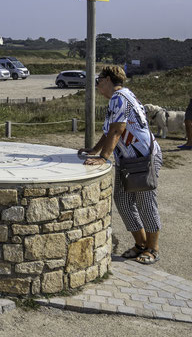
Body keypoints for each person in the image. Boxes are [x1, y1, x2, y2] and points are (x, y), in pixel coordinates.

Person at [79, 65, 162, 265]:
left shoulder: (119, 98)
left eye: (99, 79)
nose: (97, 84)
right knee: (123, 201)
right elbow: (109, 132)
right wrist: (95, 150)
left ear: (108, 79)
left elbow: (118, 130)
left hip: (143, 159)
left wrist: (104, 158)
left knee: (145, 203)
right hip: (128, 160)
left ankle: (153, 249)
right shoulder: (120, 98)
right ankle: (140, 244)